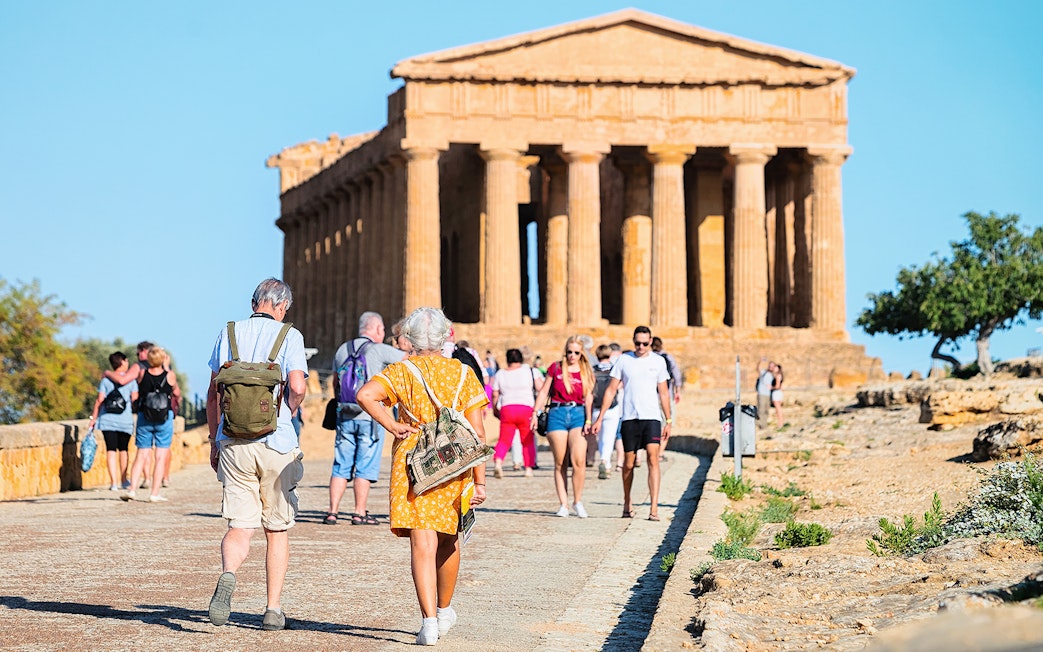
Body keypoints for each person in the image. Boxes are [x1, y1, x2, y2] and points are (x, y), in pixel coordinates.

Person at [355, 307, 488, 646]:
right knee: (449, 537)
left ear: (410, 339)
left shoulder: (402, 370)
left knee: (422, 542)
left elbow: (365, 395)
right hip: (455, 462)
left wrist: (394, 425)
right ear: (445, 337)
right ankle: (444, 611)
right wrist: (481, 481)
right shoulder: (463, 373)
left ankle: (428, 621)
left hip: (414, 463)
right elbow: (478, 431)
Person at [205, 278, 307, 631]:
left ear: (253, 303)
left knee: (240, 525)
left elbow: (213, 392)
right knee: (276, 529)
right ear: (281, 308)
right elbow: (297, 386)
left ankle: (229, 574)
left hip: (233, 441)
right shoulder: (289, 336)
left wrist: (214, 439)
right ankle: (272, 609)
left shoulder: (229, 332)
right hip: (275, 442)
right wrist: (287, 414)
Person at [325, 311, 406, 526]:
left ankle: (332, 512)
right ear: (378, 329)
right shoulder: (378, 350)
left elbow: (335, 382)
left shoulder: (343, 349)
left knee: (341, 464)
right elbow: (409, 360)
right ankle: (359, 512)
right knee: (365, 464)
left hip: (345, 414)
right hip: (370, 416)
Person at [591, 326, 671, 521]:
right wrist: (600, 417)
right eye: (637, 343)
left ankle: (654, 508)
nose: (641, 346)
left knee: (653, 458)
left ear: (651, 341)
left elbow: (663, 392)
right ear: (633, 341)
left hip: (651, 417)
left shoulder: (658, 362)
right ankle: (627, 503)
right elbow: (611, 390)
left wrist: (668, 420)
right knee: (628, 464)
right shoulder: (624, 360)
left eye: (645, 343)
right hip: (629, 418)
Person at [530, 335, 595, 518]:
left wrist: (589, 420)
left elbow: (589, 397)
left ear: (581, 353)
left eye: (576, 352)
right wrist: (535, 412)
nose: (572, 356)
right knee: (560, 462)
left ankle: (577, 501)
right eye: (569, 352)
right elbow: (543, 392)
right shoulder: (556, 368)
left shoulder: (586, 370)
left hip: (578, 415)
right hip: (557, 414)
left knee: (579, 460)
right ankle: (563, 504)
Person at [121, 346, 180, 503]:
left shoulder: (141, 374)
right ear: (163, 359)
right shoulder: (170, 376)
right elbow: (177, 393)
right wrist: (166, 367)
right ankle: (154, 493)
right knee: (160, 457)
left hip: (144, 417)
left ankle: (132, 490)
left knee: (141, 454)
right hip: (164, 418)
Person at [88, 352, 138, 491]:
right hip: (125, 420)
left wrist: (93, 418)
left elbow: (99, 400)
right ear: (122, 362)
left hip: (107, 419)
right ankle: (123, 480)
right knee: (123, 450)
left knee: (110, 450)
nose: (127, 362)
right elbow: (135, 398)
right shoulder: (131, 381)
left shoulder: (105, 380)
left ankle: (113, 483)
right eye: (126, 360)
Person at [491, 348, 543, 478]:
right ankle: (528, 468)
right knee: (527, 440)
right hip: (526, 408)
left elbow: (495, 394)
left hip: (507, 408)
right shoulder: (531, 371)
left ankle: (498, 462)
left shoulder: (500, 374)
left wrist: (495, 409)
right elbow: (541, 388)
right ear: (521, 359)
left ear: (507, 359)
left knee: (504, 439)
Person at [591, 345, 621, 480]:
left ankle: (603, 459)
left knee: (600, 438)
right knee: (609, 438)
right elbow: (619, 385)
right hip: (612, 407)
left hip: (596, 408)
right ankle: (605, 461)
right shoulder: (614, 369)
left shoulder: (592, 371)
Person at [756, 358, 777, 428]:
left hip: (768, 394)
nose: (770, 367)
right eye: (770, 366)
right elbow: (758, 368)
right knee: (761, 409)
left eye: (772, 366)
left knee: (766, 410)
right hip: (761, 393)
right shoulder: (764, 372)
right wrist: (760, 361)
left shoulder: (773, 375)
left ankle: (764, 424)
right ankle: (760, 424)